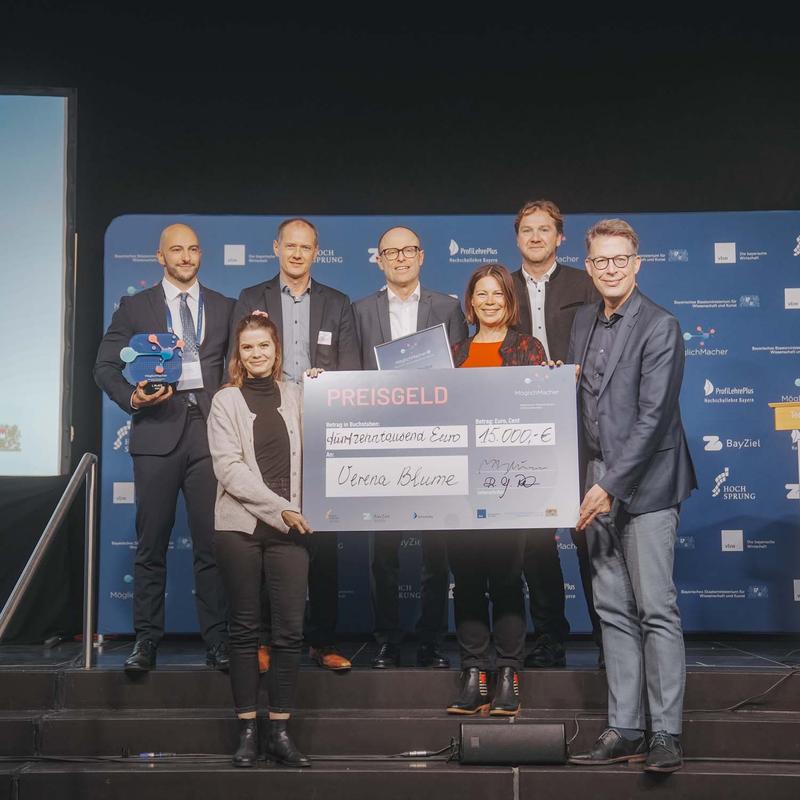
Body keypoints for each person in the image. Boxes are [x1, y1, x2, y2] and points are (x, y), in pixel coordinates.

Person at [567, 219, 697, 773]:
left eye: (620, 260)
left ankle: (665, 733)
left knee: (656, 609)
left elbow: (653, 419)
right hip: (593, 481)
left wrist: (606, 486)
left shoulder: (661, 325)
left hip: (644, 488)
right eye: (600, 261)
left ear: (637, 263)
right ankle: (625, 727)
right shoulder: (580, 324)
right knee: (613, 610)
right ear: (589, 266)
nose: (611, 269)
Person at [94, 223, 232, 673]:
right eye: (177, 250)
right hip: (156, 433)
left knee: (212, 546)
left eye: (193, 249)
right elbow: (105, 365)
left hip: (211, 436)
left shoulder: (227, 307)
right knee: (151, 545)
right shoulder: (136, 306)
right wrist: (132, 398)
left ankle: (218, 643)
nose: (187, 257)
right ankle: (146, 642)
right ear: (161, 257)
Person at [231, 217, 360, 671]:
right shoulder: (251, 299)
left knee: (321, 540)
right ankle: (264, 639)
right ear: (276, 248)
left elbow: (350, 371)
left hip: (320, 431)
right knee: (268, 530)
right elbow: (238, 362)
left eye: (306, 247)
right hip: (266, 427)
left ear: (316, 252)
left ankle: (322, 641)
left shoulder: (338, 303)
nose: (298, 254)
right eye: (290, 246)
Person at [353, 225, 467, 669]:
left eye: (408, 250)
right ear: (378, 260)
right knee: (383, 553)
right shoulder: (359, 311)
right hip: (381, 444)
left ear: (421, 255)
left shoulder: (449, 307)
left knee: (436, 553)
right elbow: (352, 375)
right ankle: (386, 638)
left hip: (436, 443)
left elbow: (457, 372)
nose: (400, 258)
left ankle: (432, 640)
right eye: (390, 252)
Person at [207, 313, 315, 768]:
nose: (256, 354)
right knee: (246, 630)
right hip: (241, 529)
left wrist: (327, 387)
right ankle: (248, 730)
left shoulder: (297, 395)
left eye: (264, 347)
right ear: (239, 353)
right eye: (248, 347)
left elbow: (328, 443)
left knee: (289, 631)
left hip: (291, 532)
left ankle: (280, 731)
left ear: (277, 351)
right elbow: (229, 470)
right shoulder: (224, 401)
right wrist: (281, 510)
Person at [446, 263, 545, 717]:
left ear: (510, 302)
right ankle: (474, 673)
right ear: (470, 302)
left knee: (506, 580)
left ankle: (508, 673)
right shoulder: (452, 352)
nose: (488, 302)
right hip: (458, 485)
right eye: (481, 294)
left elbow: (537, 413)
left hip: (509, 483)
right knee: (466, 580)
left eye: (497, 295)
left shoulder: (529, 348)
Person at [511, 199, 602, 668]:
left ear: (559, 237)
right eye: (527, 230)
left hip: (583, 426)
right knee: (533, 540)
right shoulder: (501, 289)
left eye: (544, 229)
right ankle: (549, 636)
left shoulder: (585, 284)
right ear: (517, 236)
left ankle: (610, 640)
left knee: (591, 536)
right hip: (524, 430)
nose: (535, 237)